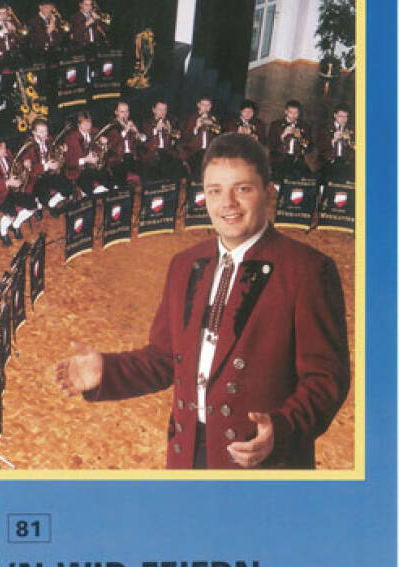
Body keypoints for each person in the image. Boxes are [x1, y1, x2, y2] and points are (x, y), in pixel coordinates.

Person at [55, 133, 350, 470]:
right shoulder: (184, 264)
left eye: (242, 189)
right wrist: (108, 370)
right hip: (186, 454)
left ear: (268, 192)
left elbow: (326, 379)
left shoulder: (308, 269)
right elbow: (165, 358)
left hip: (261, 462)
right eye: (215, 191)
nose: (228, 203)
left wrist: (281, 430)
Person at [0, 136, 37, 246]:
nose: (4, 150)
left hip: (12, 190)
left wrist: (24, 163)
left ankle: (16, 225)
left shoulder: (7, 153)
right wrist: (7, 183)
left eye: (5, 147)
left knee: (32, 205)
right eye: (0, 148)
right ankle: (3, 232)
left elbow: (17, 162)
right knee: (11, 213)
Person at [19, 119, 71, 213]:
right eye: (41, 132)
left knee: (68, 187)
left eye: (46, 131)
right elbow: (30, 170)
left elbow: (56, 144)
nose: (44, 134)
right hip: (37, 179)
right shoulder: (28, 146)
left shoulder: (48, 139)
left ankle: (52, 203)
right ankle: (44, 204)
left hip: (50, 174)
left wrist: (62, 147)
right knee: (44, 198)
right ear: (34, 132)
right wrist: (46, 166)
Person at [62, 110, 112, 196]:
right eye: (85, 124)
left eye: (89, 123)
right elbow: (69, 162)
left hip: (94, 167)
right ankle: (89, 194)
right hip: (78, 170)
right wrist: (85, 160)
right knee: (87, 180)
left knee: (107, 177)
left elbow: (108, 147)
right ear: (78, 125)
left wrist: (105, 142)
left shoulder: (95, 132)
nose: (88, 127)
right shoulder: (70, 137)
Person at [139, 98, 185, 180]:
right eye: (159, 109)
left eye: (164, 110)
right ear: (153, 110)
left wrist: (170, 131)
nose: (162, 112)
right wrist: (155, 130)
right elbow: (144, 141)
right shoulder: (146, 123)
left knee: (177, 164)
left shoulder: (171, 122)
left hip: (167, 153)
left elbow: (178, 137)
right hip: (152, 152)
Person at [268, 99, 314, 181]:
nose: (293, 115)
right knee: (280, 176)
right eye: (290, 112)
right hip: (280, 158)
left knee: (308, 179)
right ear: (286, 112)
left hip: (297, 159)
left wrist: (300, 138)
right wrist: (283, 135)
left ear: (299, 113)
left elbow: (309, 147)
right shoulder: (275, 125)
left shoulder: (305, 126)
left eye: (296, 113)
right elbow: (271, 145)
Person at [103, 100, 144, 185]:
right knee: (121, 175)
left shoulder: (131, 123)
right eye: (122, 112)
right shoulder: (111, 126)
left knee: (145, 169)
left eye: (127, 111)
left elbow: (141, 142)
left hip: (131, 157)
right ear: (116, 112)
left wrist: (137, 133)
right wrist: (125, 131)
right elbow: (112, 144)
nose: (125, 114)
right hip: (118, 158)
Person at [181, 94, 221, 178]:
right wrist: (196, 127)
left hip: (209, 151)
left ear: (211, 106)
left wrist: (213, 126)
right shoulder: (191, 118)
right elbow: (185, 137)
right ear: (198, 105)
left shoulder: (213, 119)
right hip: (194, 151)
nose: (205, 108)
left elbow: (219, 135)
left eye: (208, 105)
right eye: (203, 105)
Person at [316, 103, 355, 184]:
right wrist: (333, 140)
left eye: (346, 117)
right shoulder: (325, 128)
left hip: (345, 164)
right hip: (328, 162)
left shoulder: (351, 130)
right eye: (341, 116)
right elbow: (319, 147)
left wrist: (349, 141)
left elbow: (355, 149)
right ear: (335, 115)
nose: (343, 119)